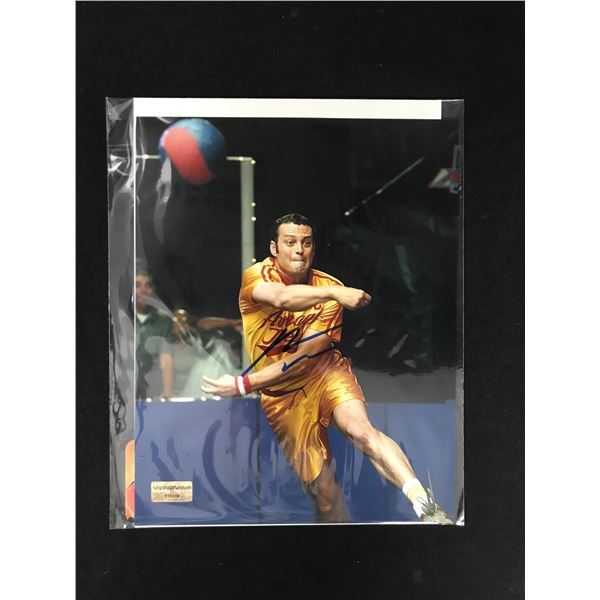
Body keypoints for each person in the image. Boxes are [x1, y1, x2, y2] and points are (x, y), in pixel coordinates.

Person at [202, 214, 452, 524]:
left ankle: (426, 507)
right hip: (281, 398)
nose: (299, 250)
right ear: (274, 248)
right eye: (290, 242)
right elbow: (281, 298)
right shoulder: (258, 277)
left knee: (361, 432)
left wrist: (243, 384)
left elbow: (305, 357)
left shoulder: (331, 287)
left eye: (306, 243)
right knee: (326, 497)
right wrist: (334, 294)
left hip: (324, 373)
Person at [135, 263, 173, 399]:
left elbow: (166, 360)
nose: (143, 290)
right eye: (137, 285)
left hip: (151, 392)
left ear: (154, 290)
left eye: (148, 285)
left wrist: (167, 393)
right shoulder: (120, 318)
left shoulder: (163, 321)